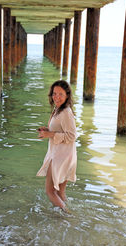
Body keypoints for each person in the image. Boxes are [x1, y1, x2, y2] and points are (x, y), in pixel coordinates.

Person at [37, 80, 77, 212]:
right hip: (64, 154)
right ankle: (66, 216)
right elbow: (60, 130)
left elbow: (71, 136)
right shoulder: (58, 109)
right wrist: (47, 130)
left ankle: (68, 216)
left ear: (67, 95)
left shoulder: (65, 112)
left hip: (61, 156)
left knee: (50, 192)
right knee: (60, 193)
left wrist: (51, 134)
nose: (56, 97)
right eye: (54, 94)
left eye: (60, 94)